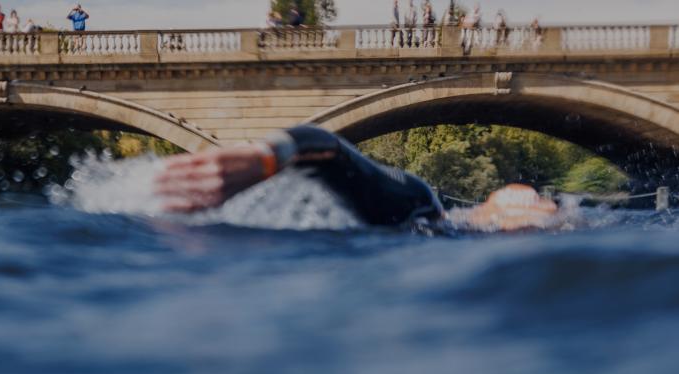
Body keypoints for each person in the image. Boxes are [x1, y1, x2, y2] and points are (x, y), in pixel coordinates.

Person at [154, 125, 558, 232]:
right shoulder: (416, 203)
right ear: (487, 202)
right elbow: (327, 145)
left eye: (541, 207)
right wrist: (264, 156)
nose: (530, 210)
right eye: (519, 199)